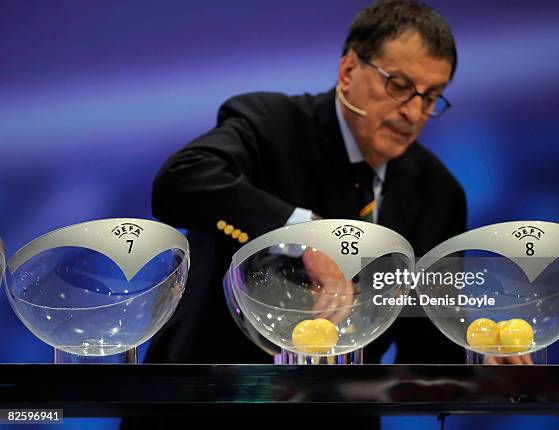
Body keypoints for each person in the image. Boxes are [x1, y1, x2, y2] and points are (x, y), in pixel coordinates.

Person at [146, 0, 466, 366]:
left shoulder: (438, 192)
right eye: (399, 86)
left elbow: (429, 338)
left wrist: (480, 359)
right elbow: (179, 180)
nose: (413, 111)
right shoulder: (272, 125)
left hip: (342, 410)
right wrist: (303, 236)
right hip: (211, 394)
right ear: (348, 70)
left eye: (430, 96)